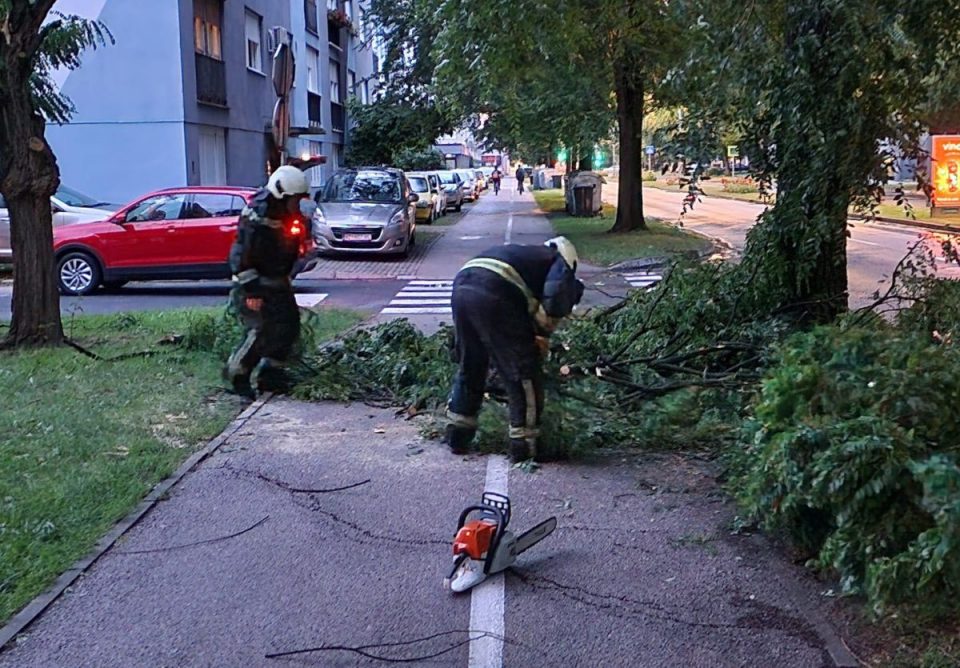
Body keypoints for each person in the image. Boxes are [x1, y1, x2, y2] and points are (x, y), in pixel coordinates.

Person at [444, 237, 585, 461]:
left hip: (462, 287)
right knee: (522, 372)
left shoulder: (528, 257)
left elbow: (525, 305)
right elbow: (554, 302)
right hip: (494, 291)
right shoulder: (560, 263)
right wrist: (540, 338)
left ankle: (457, 432)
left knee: (471, 362)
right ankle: (525, 444)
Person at [224, 165, 314, 397]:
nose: (297, 204)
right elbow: (242, 255)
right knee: (260, 331)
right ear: (281, 193)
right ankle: (238, 375)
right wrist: (252, 292)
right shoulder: (257, 216)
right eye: (294, 199)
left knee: (288, 326)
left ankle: (271, 376)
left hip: (276, 280)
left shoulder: (284, 213)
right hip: (254, 283)